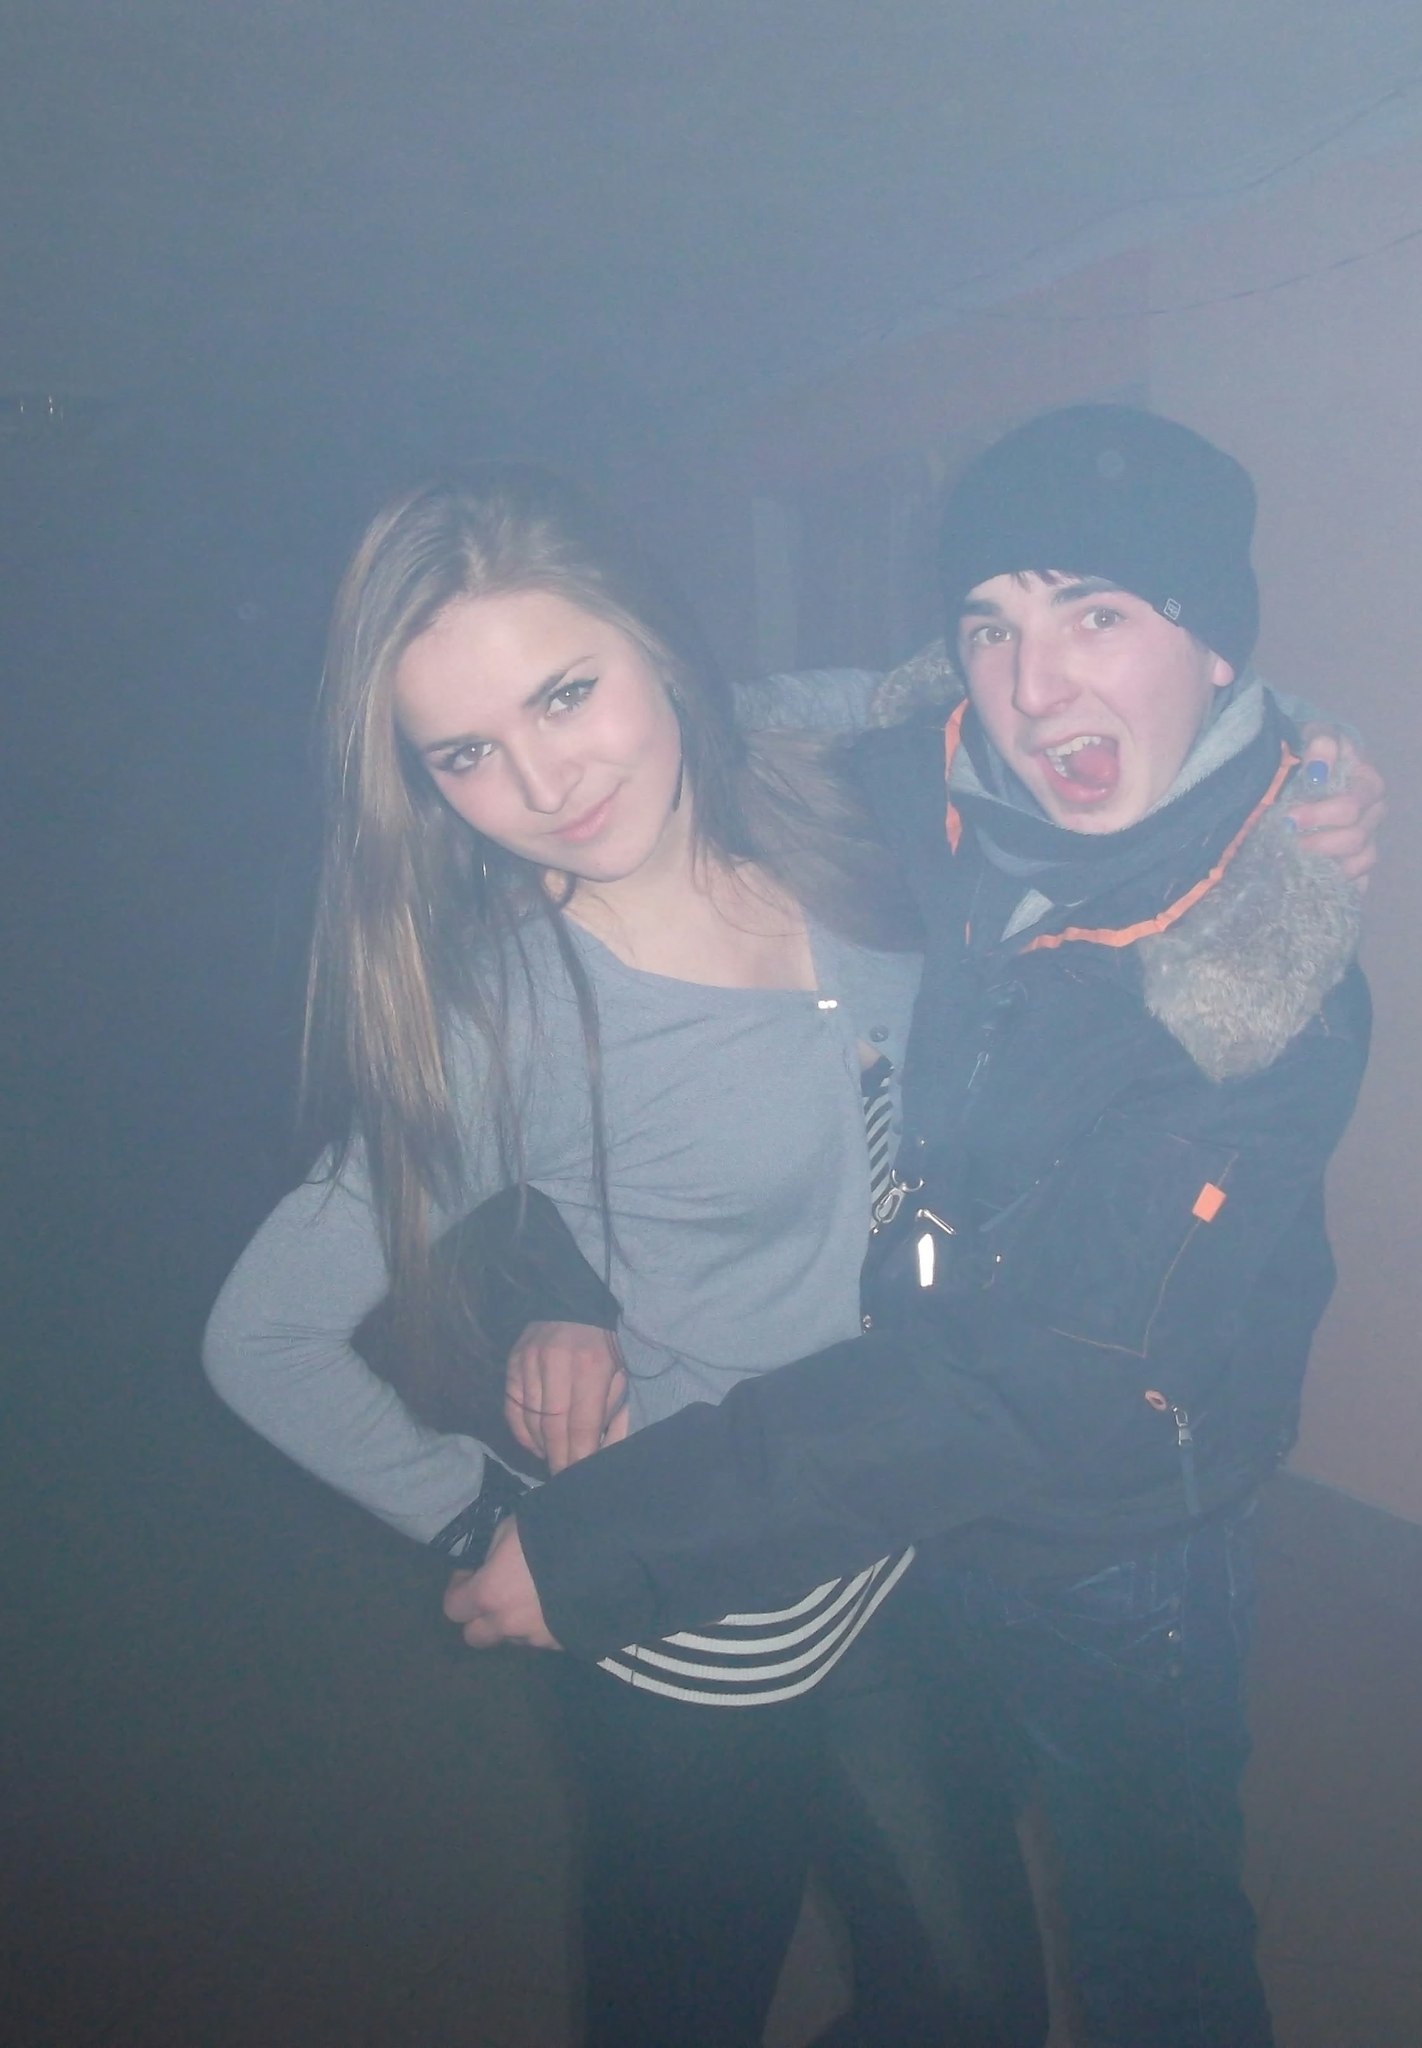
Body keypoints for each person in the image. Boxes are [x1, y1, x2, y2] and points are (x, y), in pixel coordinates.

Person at [449, 405, 1375, 2047]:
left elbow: (1039, 1375)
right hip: (878, 1502)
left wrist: (615, 1541)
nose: (1036, 689)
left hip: (1110, 1544)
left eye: (1098, 613)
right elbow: (590, 1027)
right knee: (943, 1955)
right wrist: (560, 1283)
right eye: (991, 626)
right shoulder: (898, 796)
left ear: (1216, 646)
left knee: (1156, 1940)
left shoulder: (1259, 993)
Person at [204, 464, 1063, 2048]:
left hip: (882, 1539)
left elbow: (1051, 689)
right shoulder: (512, 1013)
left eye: (565, 692)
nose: (544, 780)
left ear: (658, 648)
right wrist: (501, 1522)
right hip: (689, 1636)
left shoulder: (825, 795)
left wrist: (1301, 776)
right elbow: (263, 1337)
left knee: (973, 2004)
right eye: (466, 753)